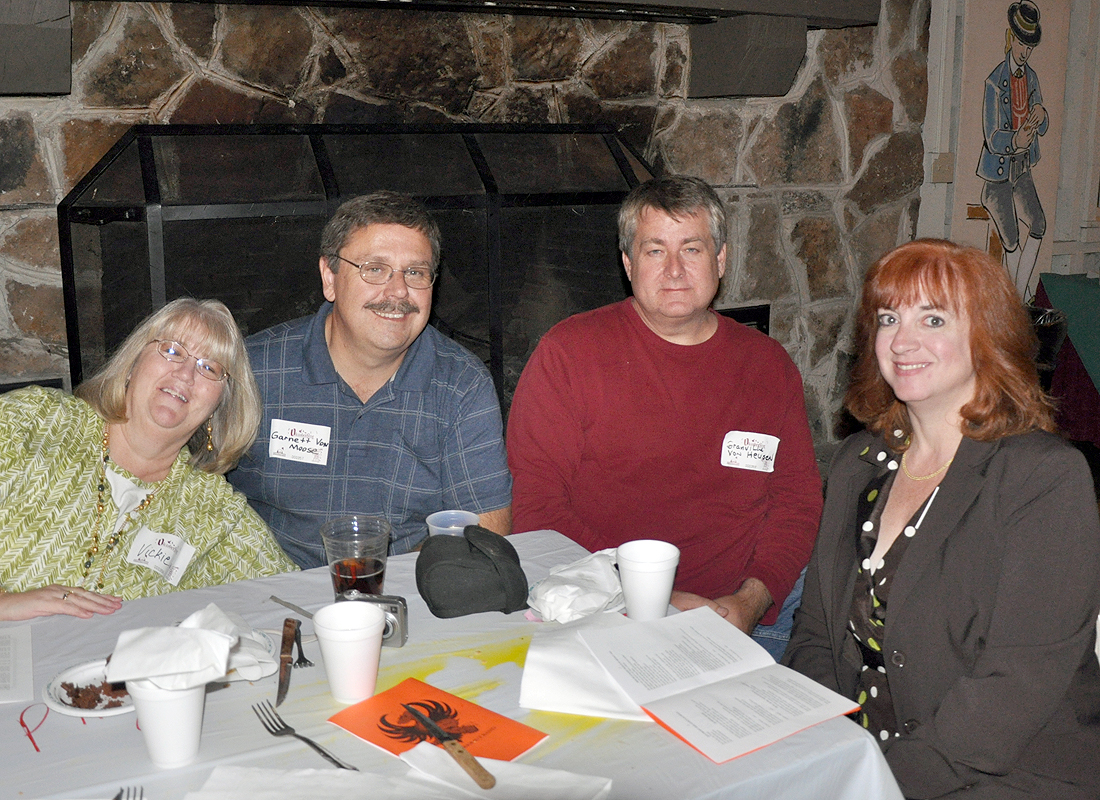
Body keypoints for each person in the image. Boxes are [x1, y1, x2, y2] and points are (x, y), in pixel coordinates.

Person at [783, 239, 1100, 798]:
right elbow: (814, 635)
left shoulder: (1043, 480)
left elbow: (1015, 686)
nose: (902, 341)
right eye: (888, 318)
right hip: (864, 758)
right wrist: (827, 750)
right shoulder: (859, 463)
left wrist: (879, 783)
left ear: (986, 336)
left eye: (933, 318)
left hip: (1006, 773)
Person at [506, 176, 823, 659]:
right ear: (628, 264)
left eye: (692, 249)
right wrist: (660, 601)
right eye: (655, 251)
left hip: (749, 616)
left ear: (720, 260)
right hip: (609, 611)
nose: (674, 269)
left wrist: (751, 601)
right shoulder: (569, 354)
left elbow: (797, 502)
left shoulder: (767, 365)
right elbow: (538, 511)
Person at [229, 192, 512, 567]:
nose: (398, 292)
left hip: (402, 591)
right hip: (271, 594)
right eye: (375, 269)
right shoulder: (254, 370)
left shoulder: (461, 385)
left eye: (415, 272)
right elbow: (187, 488)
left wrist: (386, 579)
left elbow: (484, 530)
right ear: (330, 278)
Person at [0, 298, 297, 622]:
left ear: (218, 406)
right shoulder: (35, 422)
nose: (185, 373)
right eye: (172, 350)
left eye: (209, 368)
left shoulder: (213, 510)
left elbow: (293, 602)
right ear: (134, 360)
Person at [976, 0, 1048, 299]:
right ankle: (1020, 300)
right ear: (1010, 39)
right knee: (1012, 239)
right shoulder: (995, 81)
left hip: (1022, 171)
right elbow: (992, 138)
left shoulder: (1031, 77)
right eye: (1021, 43)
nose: (1024, 51)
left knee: (1039, 224)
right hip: (997, 178)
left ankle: (1018, 299)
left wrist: (1042, 115)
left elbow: (1042, 126)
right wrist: (1014, 141)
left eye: (1029, 47)